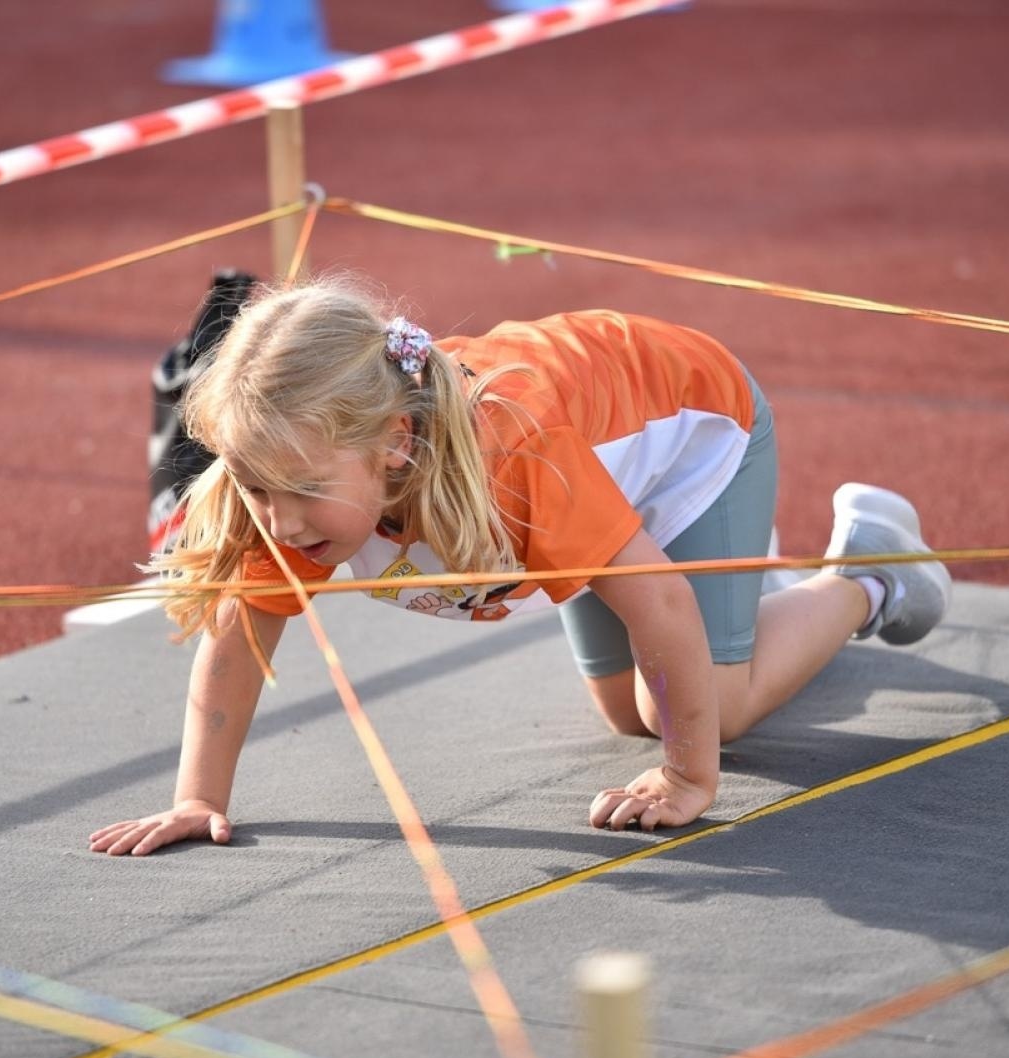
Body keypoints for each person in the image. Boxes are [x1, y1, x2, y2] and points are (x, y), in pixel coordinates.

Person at [90, 279, 950, 856]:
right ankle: (747, 606)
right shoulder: (296, 488)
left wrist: (690, 777)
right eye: (254, 487)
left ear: (393, 445)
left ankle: (868, 572)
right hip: (598, 473)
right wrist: (197, 798)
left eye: (299, 492)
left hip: (698, 428)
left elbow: (661, 607)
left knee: (706, 712)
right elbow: (239, 640)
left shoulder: (519, 463)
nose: (276, 521)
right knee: (628, 714)